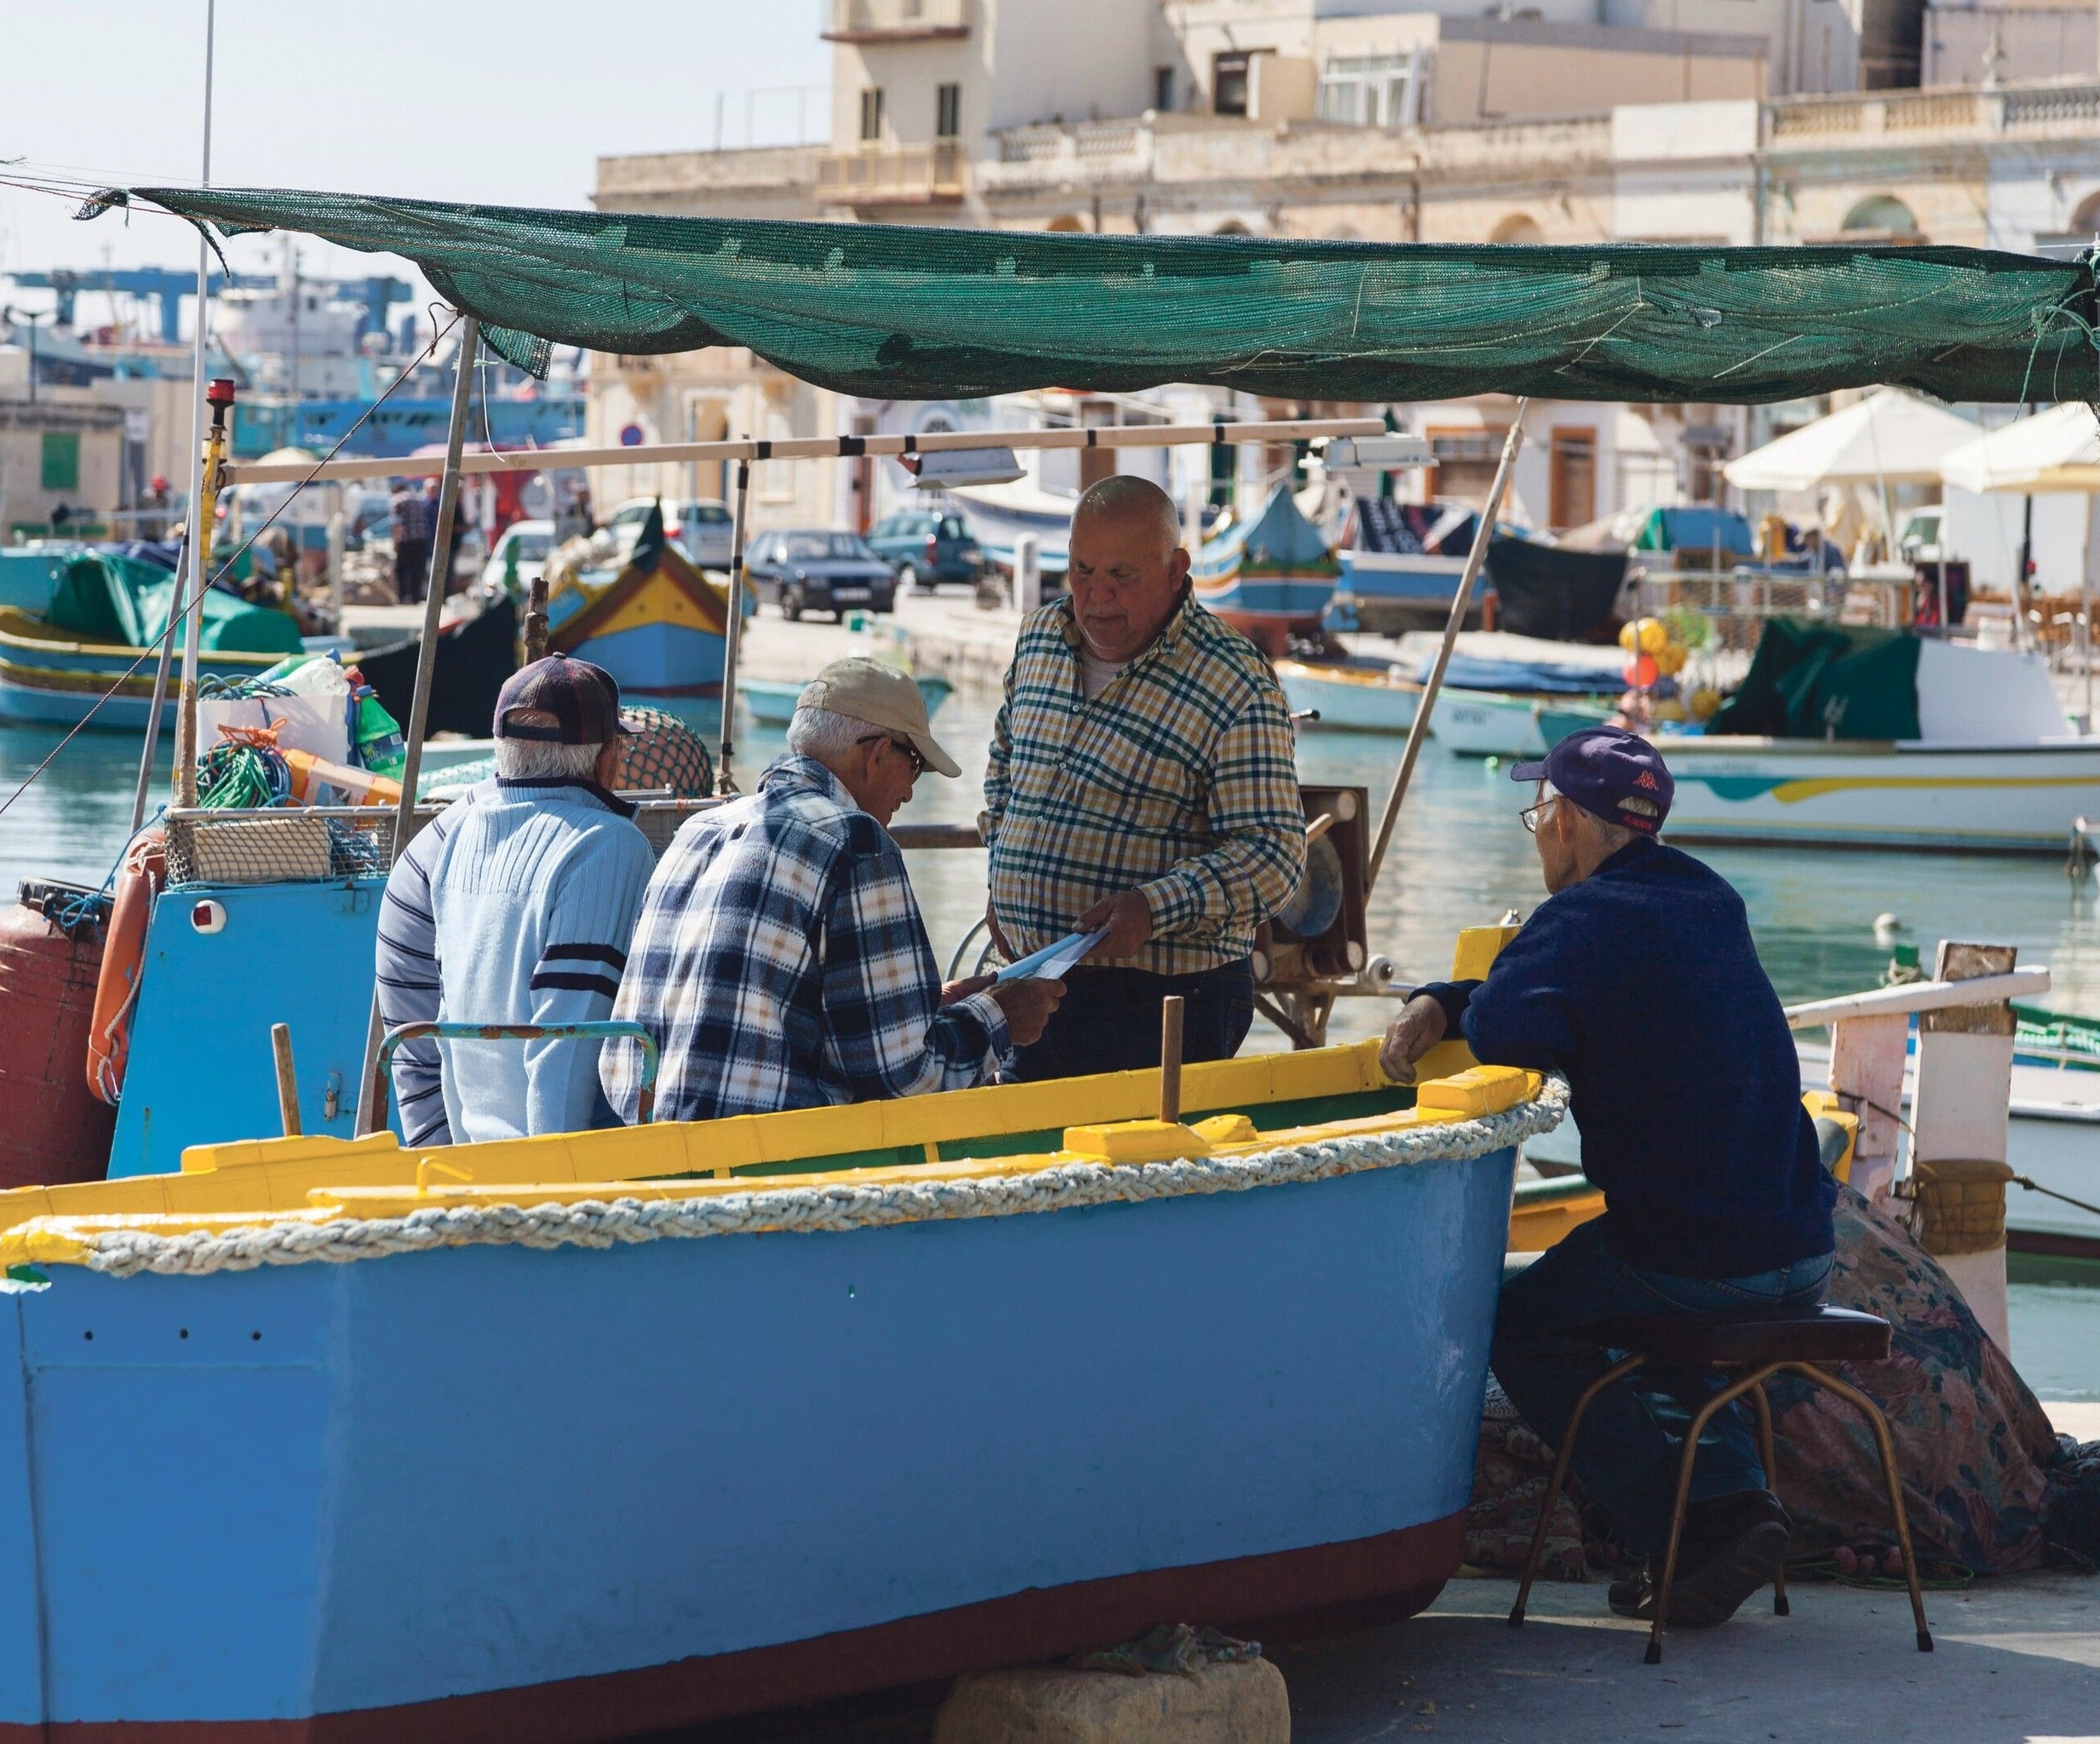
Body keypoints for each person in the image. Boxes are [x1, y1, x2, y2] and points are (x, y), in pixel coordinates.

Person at [1379, 726, 1840, 1630]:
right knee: (1675, 1308)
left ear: (1569, 821)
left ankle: (1676, 1530)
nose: (1539, 832)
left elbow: (1512, 1029)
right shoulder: (1709, 896)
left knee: (1523, 1324)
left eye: (1540, 813)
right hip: (1804, 1247)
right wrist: (1457, 995)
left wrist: (1442, 997)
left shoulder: (1584, 921)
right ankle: (1737, 1508)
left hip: (1699, 1256)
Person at [606, 657, 1064, 1123]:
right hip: (772, 1164)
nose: (909, 792)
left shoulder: (698, 830)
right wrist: (1000, 1018)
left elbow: (634, 1052)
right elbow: (903, 1079)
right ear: (878, 753)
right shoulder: (856, 843)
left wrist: (929, 1004)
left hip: (649, 1143)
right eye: (916, 765)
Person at [981, 473, 1305, 1081]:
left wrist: (1154, 908)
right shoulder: (1039, 640)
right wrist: (999, 875)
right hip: (1034, 987)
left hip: (1164, 1000)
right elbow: (1003, 769)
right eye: (1081, 572)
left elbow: (1275, 855)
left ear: (1176, 569)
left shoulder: (1236, 683)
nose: (1096, 597)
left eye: (1121, 577)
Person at [375, 654, 654, 1144]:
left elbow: (449, 1026)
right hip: (557, 1174)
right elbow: (565, 1040)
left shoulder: (459, 833)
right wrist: (553, 1184)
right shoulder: (608, 844)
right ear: (606, 756)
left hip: (478, 1160)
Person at [391, 478, 437, 605]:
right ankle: (416, 597)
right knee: (418, 569)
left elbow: (396, 523)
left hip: (406, 540)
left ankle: (403, 596)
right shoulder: (418, 499)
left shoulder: (397, 500)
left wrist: (395, 543)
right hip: (421, 539)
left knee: (402, 569)